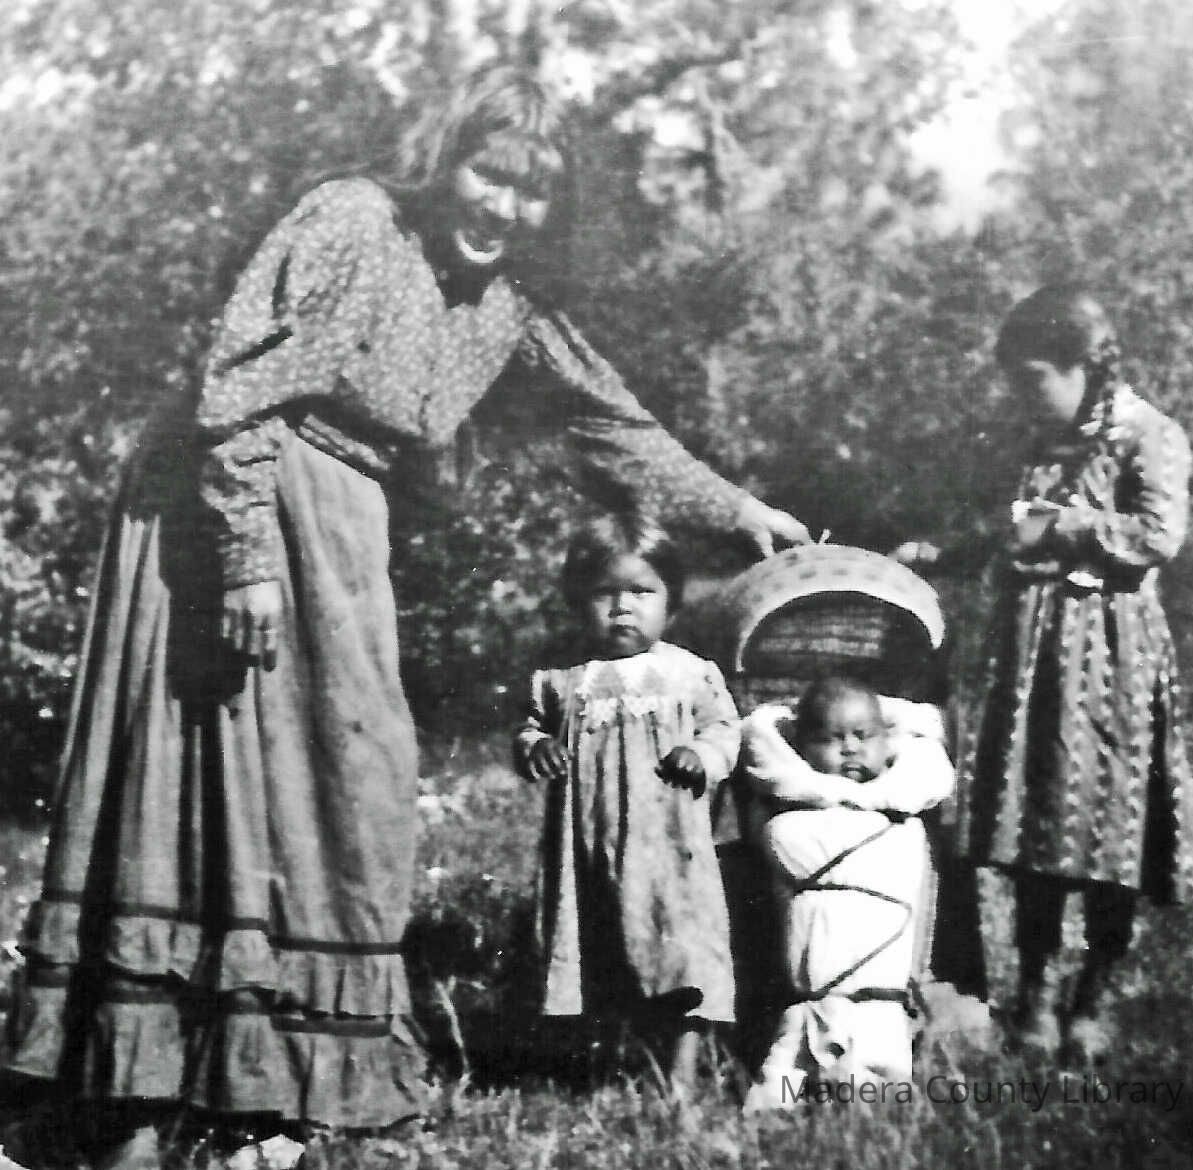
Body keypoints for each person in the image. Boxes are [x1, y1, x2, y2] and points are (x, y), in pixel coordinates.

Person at [2, 67, 807, 1169]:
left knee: (352, 781)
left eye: (532, 190)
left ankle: (273, 1077)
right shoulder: (351, 219)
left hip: (340, 519)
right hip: (220, 510)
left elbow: (609, 424)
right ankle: (132, 1097)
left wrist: (739, 511)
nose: (503, 207)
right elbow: (235, 390)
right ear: (443, 159)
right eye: (487, 173)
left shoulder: (509, 299)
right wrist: (244, 561)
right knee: (198, 779)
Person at [907, 285, 1193, 1064]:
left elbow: (1157, 534)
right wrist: (941, 551)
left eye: (1033, 378)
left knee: (1115, 834)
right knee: (1040, 826)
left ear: (1084, 364)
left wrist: (1067, 526)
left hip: (1112, 660)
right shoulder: (1036, 444)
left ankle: (1091, 998)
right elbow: (1007, 527)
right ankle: (1036, 996)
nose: (1022, 396)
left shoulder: (1148, 435)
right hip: (1037, 665)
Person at [513, 514, 741, 1094]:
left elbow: (724, 730)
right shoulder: (562, 679)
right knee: (597, 943)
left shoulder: (689, 673)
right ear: (576, 602)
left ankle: (681, 1074)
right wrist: (536, 746)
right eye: (603, 593)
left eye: (641, 592)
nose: (621, 608)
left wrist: (701, 754)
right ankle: (605, 1065)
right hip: (587, 848)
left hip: (670, 850)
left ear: (672, 603)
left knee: (683, 946)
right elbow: (530, 727)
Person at [737, 677, 954, 1109]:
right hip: (809, 997)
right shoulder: (791, 818)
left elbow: (927, 733)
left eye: (863, 735)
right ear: (800, 746)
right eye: (829, 738)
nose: (850, 748)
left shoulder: (905, 807)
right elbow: (761, 731)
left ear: (888, 740)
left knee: (879, 1088)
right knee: (780, 1088)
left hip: (880, 997)